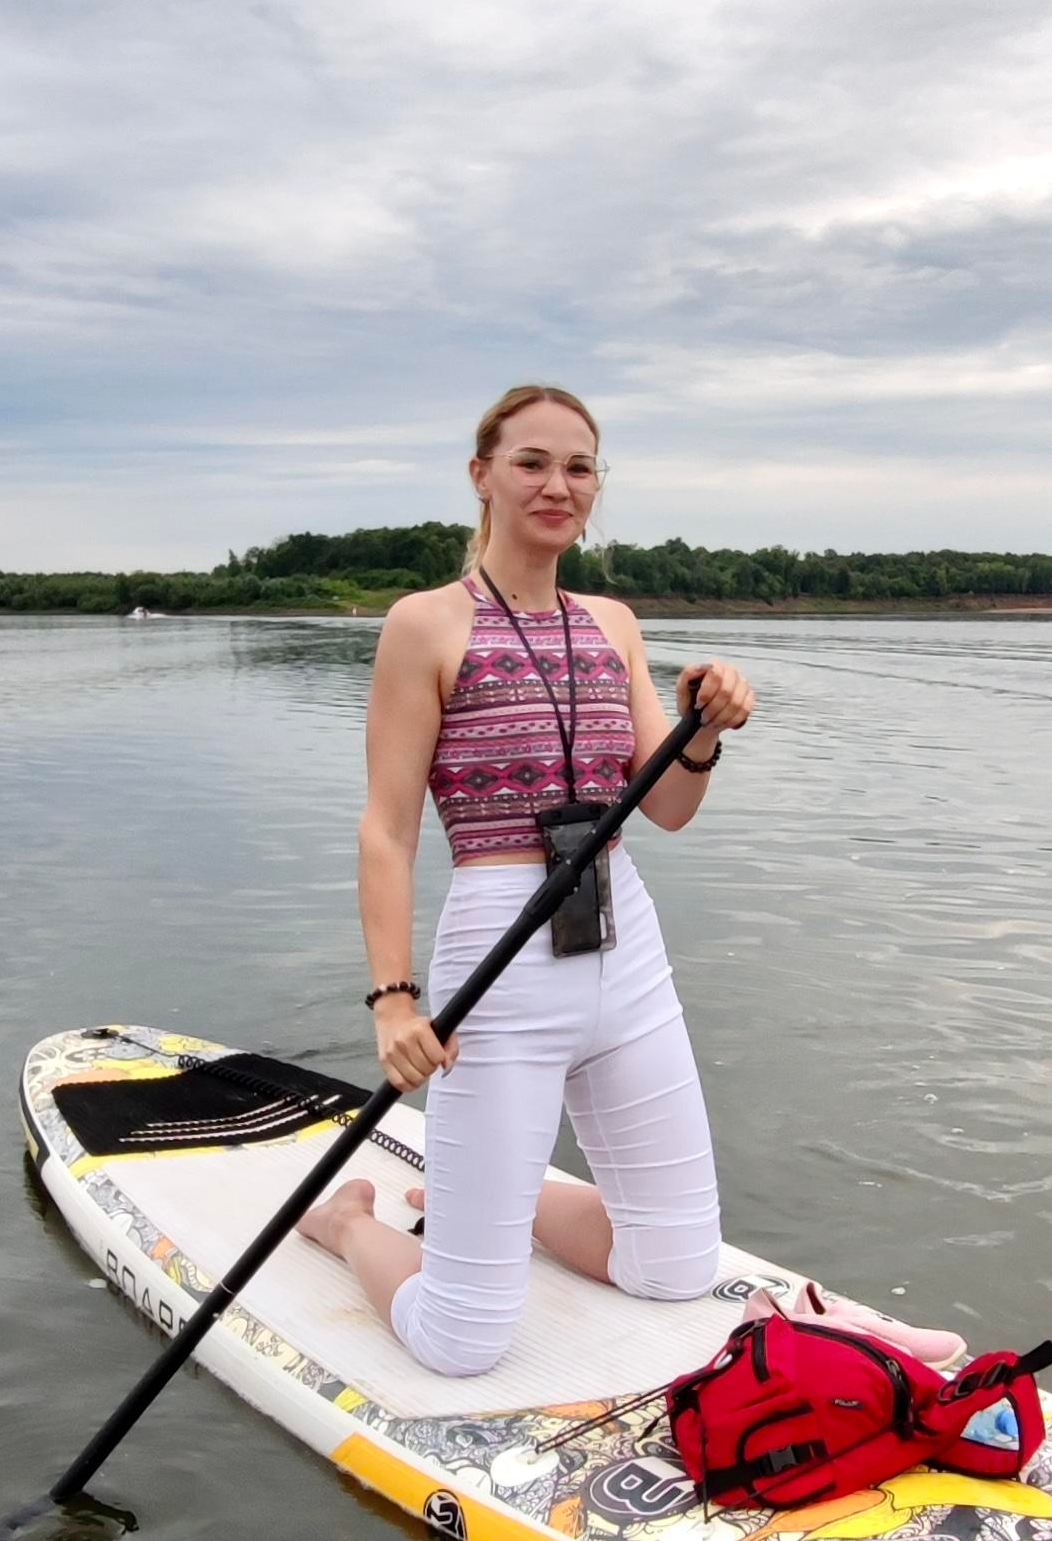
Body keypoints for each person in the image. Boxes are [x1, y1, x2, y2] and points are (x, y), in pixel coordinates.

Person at [301, 381, 754, 1373]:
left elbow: (666, 809)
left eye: (579, 466)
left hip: (622, 939)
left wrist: (703, 730)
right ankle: (343, 1223)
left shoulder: (614, 623)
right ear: (483, 476)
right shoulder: (425, 622)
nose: (558, 484)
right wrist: (391, 1000)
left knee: (675, 1266)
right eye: (532, 462)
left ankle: (473, 1197)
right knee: (461, 1343)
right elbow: (387, 827)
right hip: (500, 951)